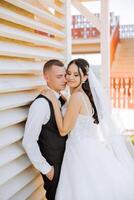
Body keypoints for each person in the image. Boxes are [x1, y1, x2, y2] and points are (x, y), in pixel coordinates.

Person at [44, 58, 134, 200]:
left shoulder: (77, 97)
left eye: (76, 75)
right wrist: (63, 99)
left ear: (85, 78)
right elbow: (74, 113)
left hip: (78, 152)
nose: (70, 77)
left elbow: (63, 130)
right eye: (69, 73)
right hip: (90, 148)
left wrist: (53, 100)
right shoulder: (82, 96)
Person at [22, 59, 67, 200]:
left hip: (69, 165)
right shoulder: (41, 104)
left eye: (65, 75)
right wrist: (48, 170)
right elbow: (28, 141)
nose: (65, 80)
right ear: (46, 77)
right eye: (59, 76)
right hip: (56, 170)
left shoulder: (63, 100)